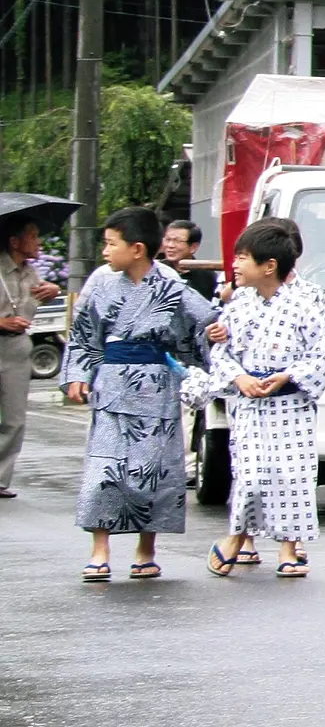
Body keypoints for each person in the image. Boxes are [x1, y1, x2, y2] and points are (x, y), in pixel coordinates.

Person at [186, 218, 325, 578]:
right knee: (250, 474)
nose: (234, 265)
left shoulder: (307, 300)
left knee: (292, 476)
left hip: (292, 402)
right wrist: (238, 377)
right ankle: (237, 536)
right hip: (250, 402)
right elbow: (222, 354)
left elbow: (323, 353)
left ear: (269, 266)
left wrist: (288, 375)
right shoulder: (238, 303)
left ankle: (289, 546)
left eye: (242, 258)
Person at [63, 206, 217, 581]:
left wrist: (214, 334)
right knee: (105, 471)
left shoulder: (168, 282)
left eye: (110, 244)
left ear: (136, 249)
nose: (104, 251)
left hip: (156, 388)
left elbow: (202, 323)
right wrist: (77, 374)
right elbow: (84, 334)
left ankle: (146, 549)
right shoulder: (100, 281)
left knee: (154, 472)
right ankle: (100, 548)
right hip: (112, 384)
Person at [0, 209, 60, 499]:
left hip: (17, 347)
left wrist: (54, 289)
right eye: (33, 236)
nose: (38, 243)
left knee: (14, 417)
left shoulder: (31, 272)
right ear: (14, 241)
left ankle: (0, 478)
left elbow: (39, 295)